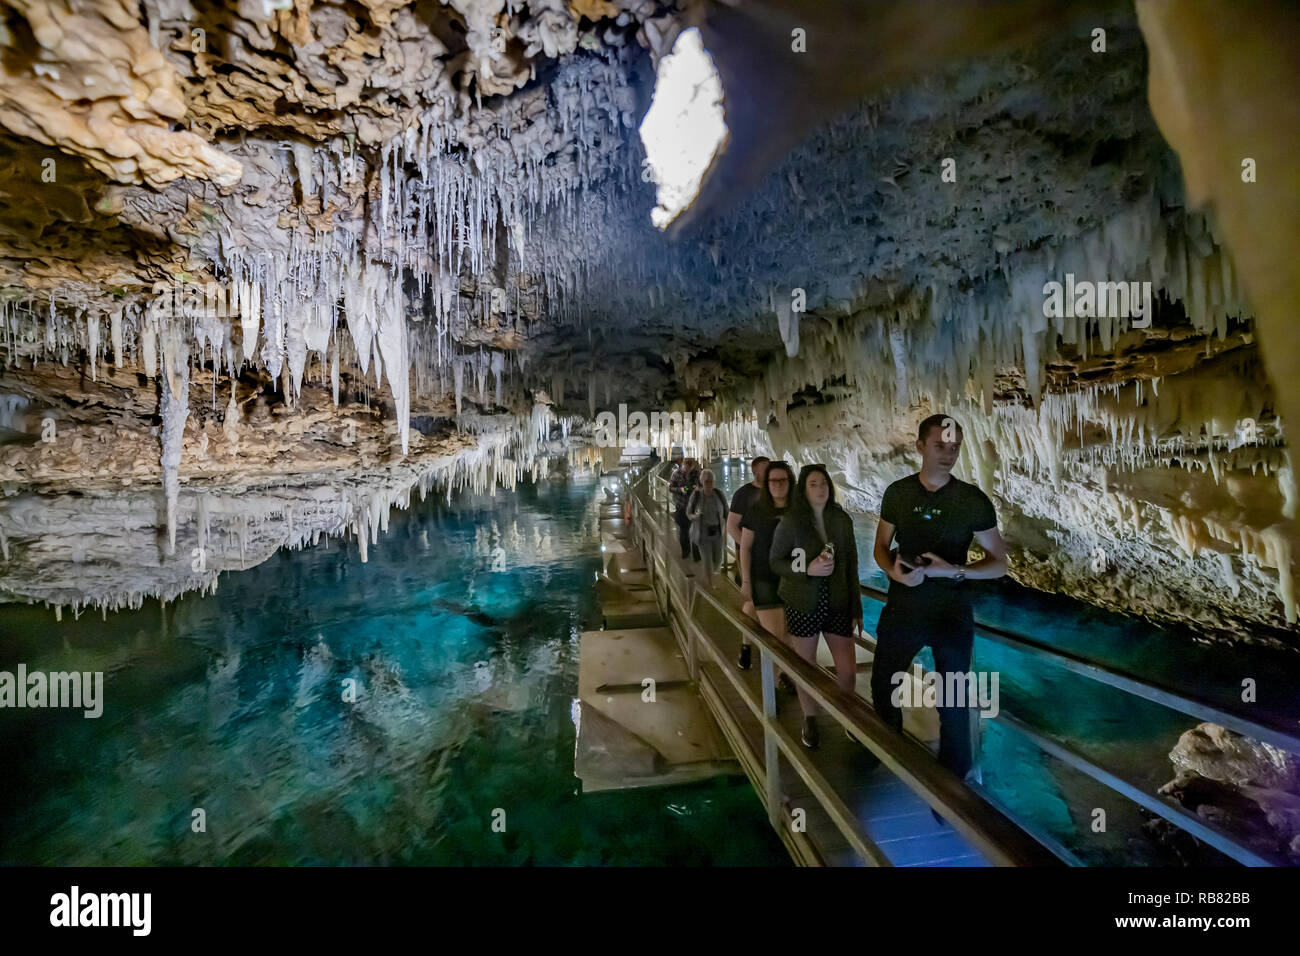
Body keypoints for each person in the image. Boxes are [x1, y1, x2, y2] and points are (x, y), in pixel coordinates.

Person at [870, 413, 1008, 783]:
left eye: (954, 447)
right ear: (920, 446)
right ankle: (890, 755)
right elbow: (881, 548)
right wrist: (892, 571)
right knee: (885, 684)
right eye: (939, 445)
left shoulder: (972, 501)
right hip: (904, 605)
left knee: (955, 700)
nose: (948, 453)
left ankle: (952, 783)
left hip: (951, 611)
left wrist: (954, 571)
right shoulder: (898, 493)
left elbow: (999, 564)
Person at [769, 464, 863, 749]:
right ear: (803, 489)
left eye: (823, 483)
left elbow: (851, 565)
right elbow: (776, 561)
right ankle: (810, 718)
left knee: (847, 670)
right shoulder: (791, 522)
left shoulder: (841, 521)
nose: (820, 488)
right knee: (805, 666)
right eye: (813, 484)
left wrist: (856, 608)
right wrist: (807, 569)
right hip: (802, 602)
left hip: (836, 602)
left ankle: (845, 713)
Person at [738, 460, 795, 674]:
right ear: (767, 483)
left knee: (790, 635)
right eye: (773, 481)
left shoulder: (798, 511)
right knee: (775, 636)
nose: (778, 485)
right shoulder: (756, 511)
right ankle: (771, 688)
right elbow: (745, 548)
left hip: (793, 580)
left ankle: (782, 676)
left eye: (782, 480)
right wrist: (746, 581)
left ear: (790, 482)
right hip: (764, 580)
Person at [727, 456, 770, 588]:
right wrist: (747, 546)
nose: (770, 472)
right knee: (751, 587)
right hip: (749, 549)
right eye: (766, 470)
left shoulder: (772, 492)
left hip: (769, 548)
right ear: (756, 472)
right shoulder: (743, 494)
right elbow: (731, 525)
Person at [687, 469, 729, 587]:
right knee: (707, 561)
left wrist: (725, 527)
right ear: (702, 482)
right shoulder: (696, 496)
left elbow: (726, 512)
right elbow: (688, 513)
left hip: (717, 531)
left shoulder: (719, 495)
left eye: (711, 481)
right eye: (706, 481)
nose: (709, 484)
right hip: (703, 532)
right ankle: (710, 585)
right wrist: (695, 516)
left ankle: (712, 576)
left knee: (718, 560)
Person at [669, 457, 700, 559]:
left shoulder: (696, 473)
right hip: (681, 506)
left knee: (695, 530)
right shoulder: (676, 474)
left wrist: (698, 488)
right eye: (685, 468)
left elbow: (702, 485)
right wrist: (680, 489)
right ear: (682, 466)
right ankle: (685, 551)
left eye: (689, 469)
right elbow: (671, 488)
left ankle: (697, 554)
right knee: (684, 530)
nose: (687, 471)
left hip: (694, 506)